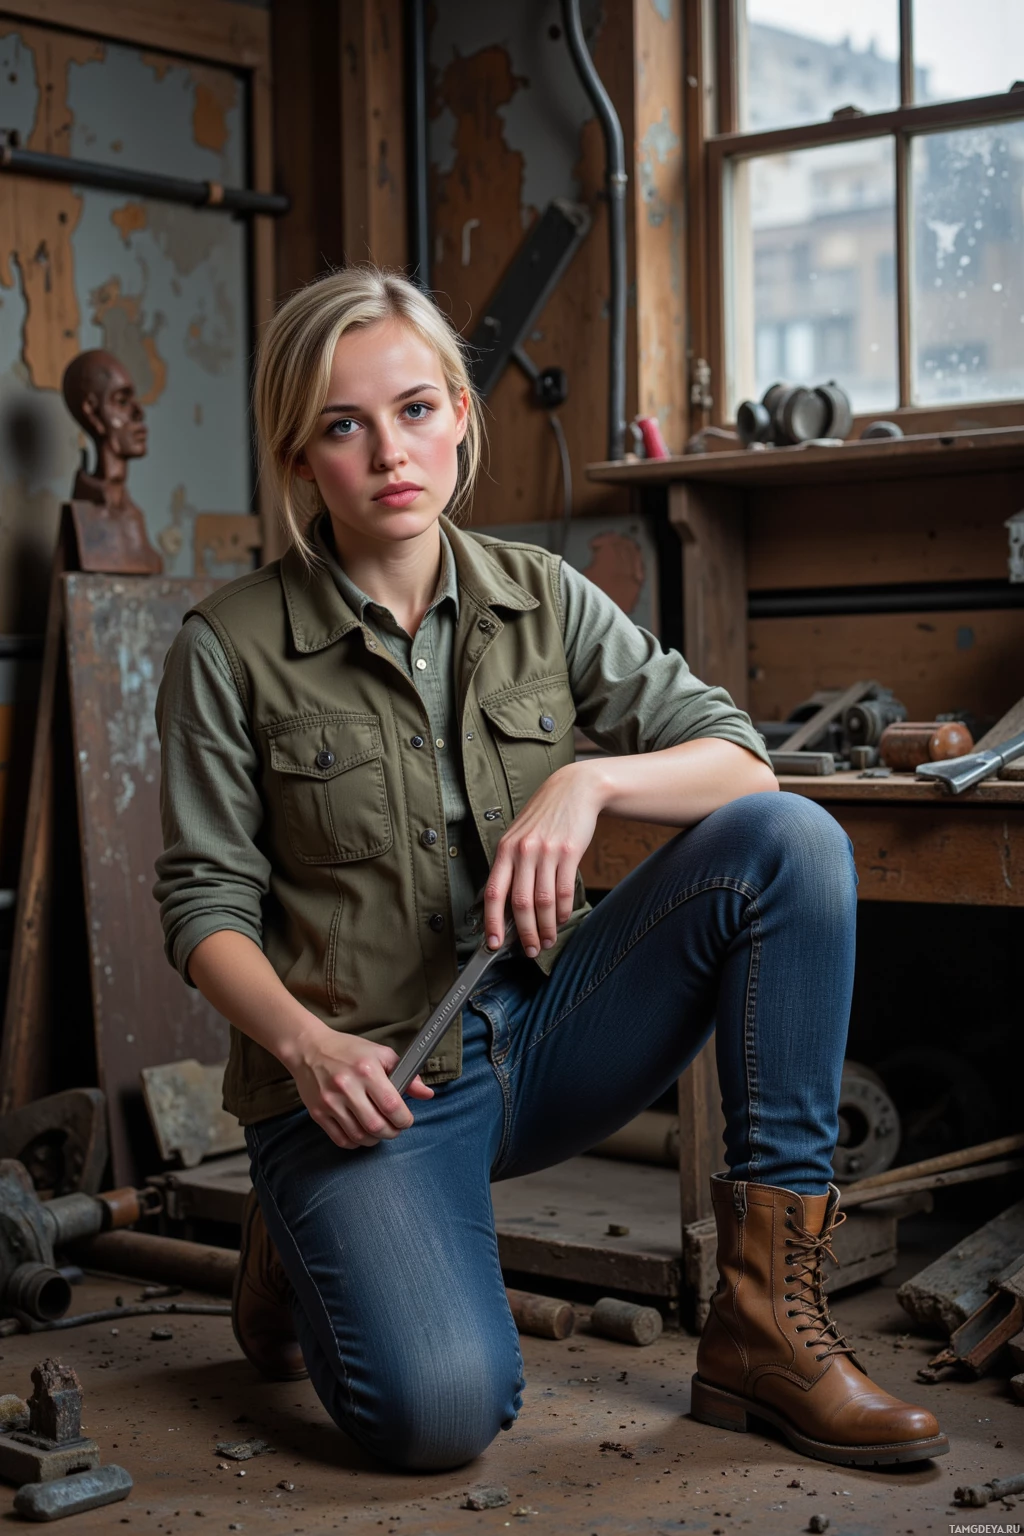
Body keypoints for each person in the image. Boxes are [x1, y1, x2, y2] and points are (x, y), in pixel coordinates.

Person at [154, 267, 947, 1474]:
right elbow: (202, 904)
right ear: (298, 455)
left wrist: (590, 783)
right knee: (438, 1418)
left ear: (461, 416)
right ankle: (297, 1236)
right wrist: (305, 1050)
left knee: (792, 844)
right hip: (368, 1087)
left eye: (415, 410)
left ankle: (763, 1327)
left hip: (547, 1028)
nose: (389, 453)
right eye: (343, 425)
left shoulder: (541, 598)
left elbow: (740, 763)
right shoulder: (227, 649)